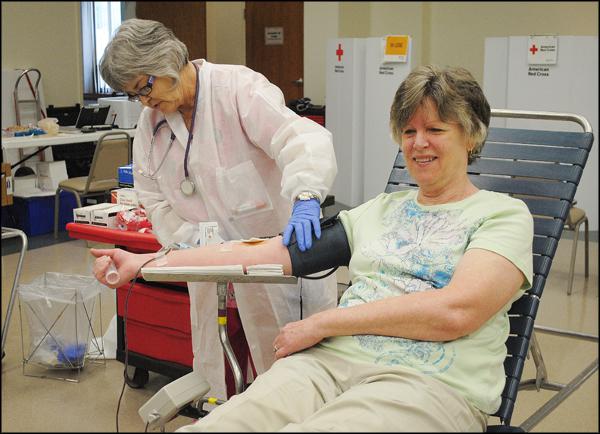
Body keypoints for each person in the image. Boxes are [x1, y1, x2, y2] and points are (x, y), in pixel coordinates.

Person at [92, 64, 533, 431]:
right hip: (327, 366)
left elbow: (456, 312)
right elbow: (256, 253)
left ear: (472, 137)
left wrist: (326, 322)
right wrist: (147, 261)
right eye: (409, 130)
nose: (418, 144)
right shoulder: (378, 211)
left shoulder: (502, 216)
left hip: (426, 384)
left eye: (435, 129)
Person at [98, 18, 338, 399]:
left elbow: (299, 139)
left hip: (278, 258)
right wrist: (195, 241)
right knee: (217, 372)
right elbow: (152, 195)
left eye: (144, 87)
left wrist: (307, 195)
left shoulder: (236, 89)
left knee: (292, 371)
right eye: (134, 95)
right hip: (208, 263)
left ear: (166, 60)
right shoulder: (152, 123)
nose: (144, 101)